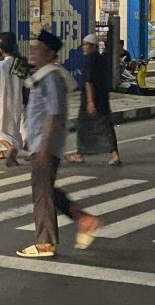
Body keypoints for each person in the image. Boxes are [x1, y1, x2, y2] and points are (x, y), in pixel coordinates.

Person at [16, 28, 100, 259]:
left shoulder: (51, 77)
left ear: (51, 54)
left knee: (42, 195)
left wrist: (44, 147)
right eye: (32, 49)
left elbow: (54, 114)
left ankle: (45, 244)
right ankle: (83, 219)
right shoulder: (43, 76)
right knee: (48, 191)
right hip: (39, 143)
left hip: (45, 146)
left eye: (38, 50)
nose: (33, 53)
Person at [70, 34, 121, 166]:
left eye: (86, 44)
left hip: (90, 99)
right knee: (106, 126)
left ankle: (80, 154)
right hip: (103, 98)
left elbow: (88, 81)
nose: (83, 47)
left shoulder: (89, 61)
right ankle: (114, 155)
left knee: (83, 126)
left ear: (94, 46)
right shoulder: (102, 60)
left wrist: (90, 102)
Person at [0, 33, 24, 160]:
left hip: (2, 100)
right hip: (17, 100)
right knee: (12, 128)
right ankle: (0, 152)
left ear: (1, 49)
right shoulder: (18, 64)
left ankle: (10, 148)